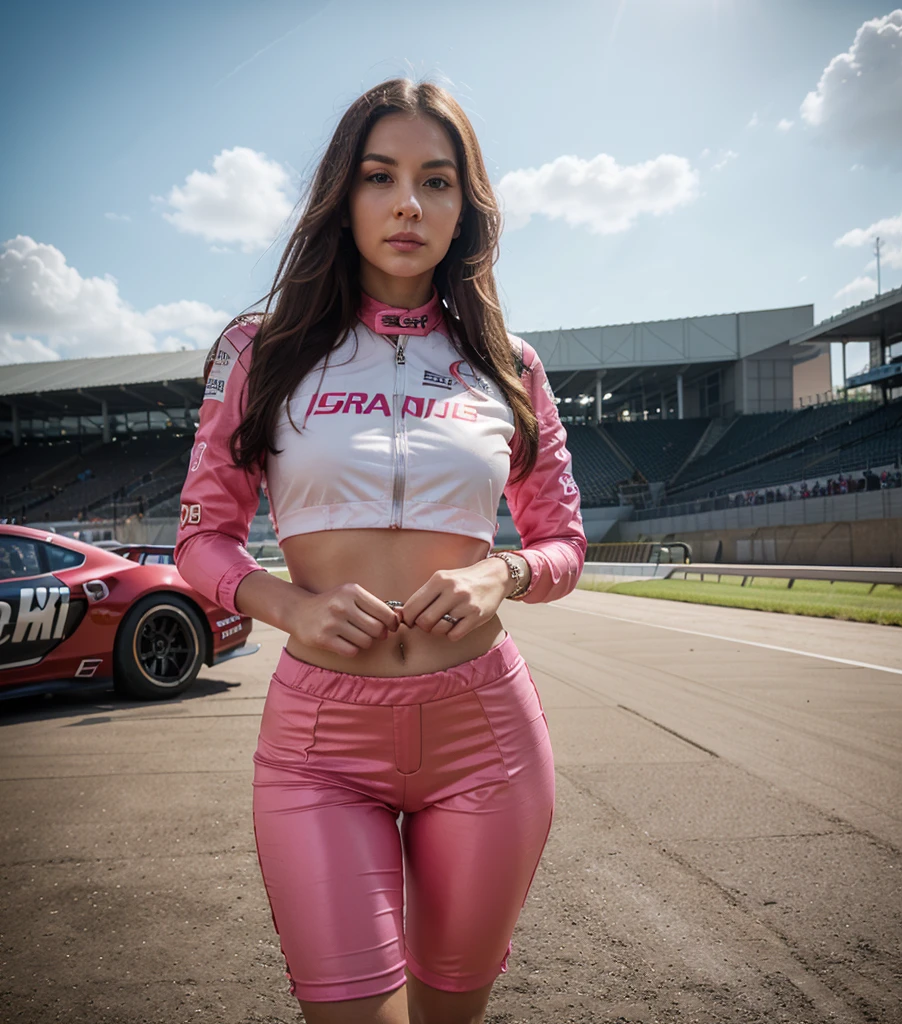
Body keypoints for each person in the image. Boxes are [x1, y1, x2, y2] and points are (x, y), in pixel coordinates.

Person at [174, 79, 586, 1024]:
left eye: (436, 181)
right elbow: (203, 535)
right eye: (381, 176)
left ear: (463, 210)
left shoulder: (509, 364)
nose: (408, 203)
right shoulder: (261, 348)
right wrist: (288, 606)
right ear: (343, 196)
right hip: (322, 745)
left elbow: (561, 541)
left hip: (484, 733)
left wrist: (501, 570)